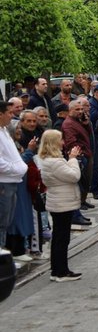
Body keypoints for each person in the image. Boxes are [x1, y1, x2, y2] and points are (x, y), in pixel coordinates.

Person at [38, 130, 83, 281]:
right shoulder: (55, 162)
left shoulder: (48, 160)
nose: (63, 142)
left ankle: (56, 270)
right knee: (62, 238)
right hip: (62, 202)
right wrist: (73, 159)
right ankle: (61, 271)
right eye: (60, 140)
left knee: (58, 236)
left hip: (58, 200)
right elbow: (74, 176)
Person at [0, 101, 28, 252]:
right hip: (4, 183)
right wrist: (15, 168)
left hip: (12, 181)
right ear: (0, 114)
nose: (12, 116)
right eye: (9, 113)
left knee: (6, 222)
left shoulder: (4, 130)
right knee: (2, 222)